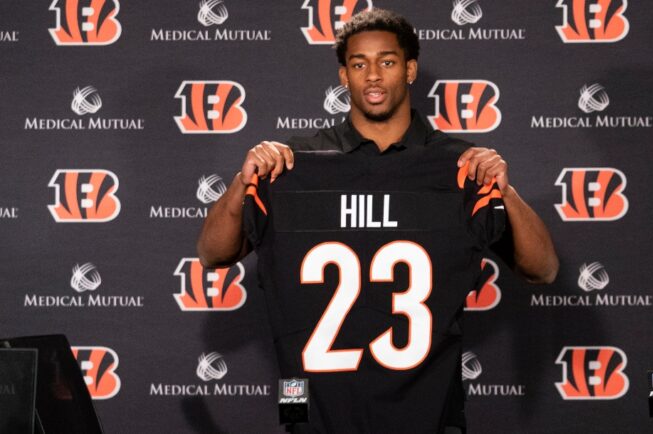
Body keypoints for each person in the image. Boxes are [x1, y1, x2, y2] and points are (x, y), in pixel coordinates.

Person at [198, 9, 558, 433]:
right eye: (358, 64)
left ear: (409, 70)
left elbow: (542, 268)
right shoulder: (295, 165)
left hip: (428, 418)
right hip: (322, 419)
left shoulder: (457, 167)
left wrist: (504, 190)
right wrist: (244, 183)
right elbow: (213, 254)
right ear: (342, 76)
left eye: (386, 62)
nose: (372, 75)